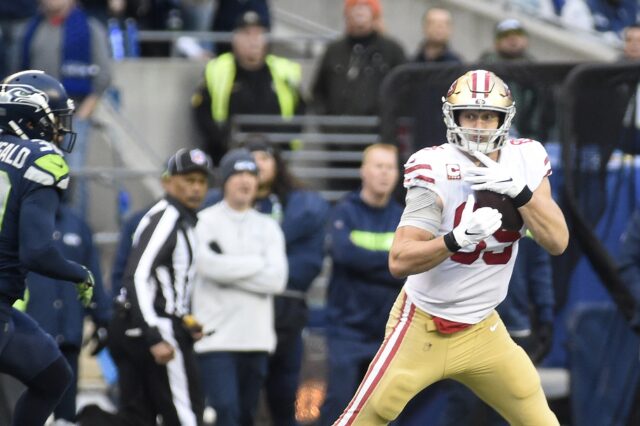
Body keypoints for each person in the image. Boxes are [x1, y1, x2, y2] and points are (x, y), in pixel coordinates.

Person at [333, 69, 569, 425]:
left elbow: (557, 241)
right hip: (423, 323)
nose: (477, 125)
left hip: (482, 327)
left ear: (503, 119)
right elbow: (399, 260)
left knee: (537, 413)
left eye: (487, 116)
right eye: (469, 115)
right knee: (369, 415)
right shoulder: (436, 166)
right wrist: (455, 239)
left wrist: (520, 192)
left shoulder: (526, 159)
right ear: (452, 116)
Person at [88, 148, 211, 426]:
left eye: (201, 182)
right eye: (188, 180)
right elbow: (137, 276)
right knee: (185, 413)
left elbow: (164, 284)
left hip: (146, 324)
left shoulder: (181, 220)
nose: (195, 188)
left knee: (139, 416)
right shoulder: (166, 217)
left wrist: (186, 319)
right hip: (154, 327)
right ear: (168, 182)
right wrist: (154, 334)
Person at [0, 69, 95, 426]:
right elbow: (37, 251)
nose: (59, 129)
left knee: (54, 375)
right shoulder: (40, 158)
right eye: (55, 119)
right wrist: (79, 273)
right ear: (31, 117)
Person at [193, 148, 287, 426]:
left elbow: (277, 280)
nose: (245, 181)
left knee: (246, 416)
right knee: (224, 412)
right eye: (238, 174)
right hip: (216, 339)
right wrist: (257, 263)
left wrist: (228, 267)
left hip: (256, 339)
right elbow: (207, 266)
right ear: (225, 180)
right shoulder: (204, 222)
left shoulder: (269, 228)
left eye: (251, 174)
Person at [320, 143, 405, 425]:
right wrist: (390, 264)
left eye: (390, 167)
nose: (384, 173)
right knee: (339, 404)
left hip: (387, 332)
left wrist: (366, 263)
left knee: (381, 410)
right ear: (363, 171)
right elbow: (343, 255)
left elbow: (408, 270)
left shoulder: (404, 218)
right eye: (378, 166)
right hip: (345, 331)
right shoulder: (344, 211)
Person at [439, 232, 555, 426]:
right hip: (466, 325)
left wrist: (546, 316)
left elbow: (538, 264)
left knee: (508, 412)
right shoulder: (458, 202)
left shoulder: (529, 206)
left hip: (514, 328)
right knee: (462, 406)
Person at [20, 0, 113, 219]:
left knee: (73, 175)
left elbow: (103, 77)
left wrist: (82, 116)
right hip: (36, 117)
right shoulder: (33, 28)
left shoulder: (90, 28)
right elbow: (20, 74)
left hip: (73, 113)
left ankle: (74, 229)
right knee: (34, 174)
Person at [22, 201, 112, 423]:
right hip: (26, 338)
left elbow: (93, 277)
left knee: (66, 414)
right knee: (24, 409)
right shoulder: (17, 222)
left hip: (67, 336)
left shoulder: (77, 225)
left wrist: (103, 319)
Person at [191, 10, 305, 164]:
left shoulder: (284, 70)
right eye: (247, 34)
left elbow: (300, 109)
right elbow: (201, 111)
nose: (254, 41)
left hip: (274, 159)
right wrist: (223, 140)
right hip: (229, 157)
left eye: (259, 34)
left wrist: (282, 141)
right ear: (235, 38)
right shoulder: (217, 69)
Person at [311, 0, 405, 117]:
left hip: (379, 130)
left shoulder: (392, 50)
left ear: (375, 14)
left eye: (366, 6)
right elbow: (319, 91)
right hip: (339, 129)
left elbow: (404, 90)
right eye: (354, 6)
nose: (360, 11)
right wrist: (327, 123)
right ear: (347, 14)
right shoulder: (334, 51)